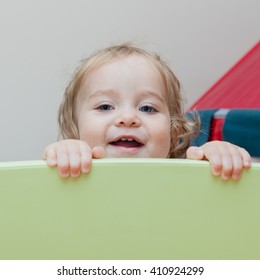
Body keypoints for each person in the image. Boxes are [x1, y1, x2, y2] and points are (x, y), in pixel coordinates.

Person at [43, 43, 251, 180]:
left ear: (175, 129)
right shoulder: (68, 173)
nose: (128, 119)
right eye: (105, 106)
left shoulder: (188, 177)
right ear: (73, 127)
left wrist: (218, 164)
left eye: (147, 108)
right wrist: (59, 160)